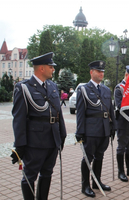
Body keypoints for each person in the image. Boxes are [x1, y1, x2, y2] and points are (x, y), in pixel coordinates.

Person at [10, 52, 67, 200]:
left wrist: (62, 134)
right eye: (50, 67)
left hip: (52, 140)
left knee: (47, 173)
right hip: (35, 141)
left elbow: (58, 113)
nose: (53, 69)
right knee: (29, 176)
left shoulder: (53, 86)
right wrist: (20, 145)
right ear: (41, 68)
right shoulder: (23, 88)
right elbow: (19, 119)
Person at [75, 60, 116, 198]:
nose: (101, 73)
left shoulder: (106, 90)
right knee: (88, 158)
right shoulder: (84, 89)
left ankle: (96, 181)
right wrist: (80, 131)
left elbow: (110, 110)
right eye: (99, 71)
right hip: (91, 130)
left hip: (104, 128)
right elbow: (80, 113)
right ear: (91, 72)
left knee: (100, 156)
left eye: (102, 71)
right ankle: (85, 185)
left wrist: (113, 126)